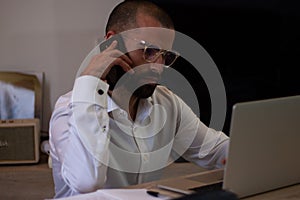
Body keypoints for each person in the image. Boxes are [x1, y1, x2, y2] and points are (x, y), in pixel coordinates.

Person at [49, 0, 229, 198]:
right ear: (112, 41)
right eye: (149, 51)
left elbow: (214, 150)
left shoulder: (167, 103)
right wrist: (89, 82)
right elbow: (87, 181)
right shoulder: (69, 109)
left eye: (165, 56)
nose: (157, 67)